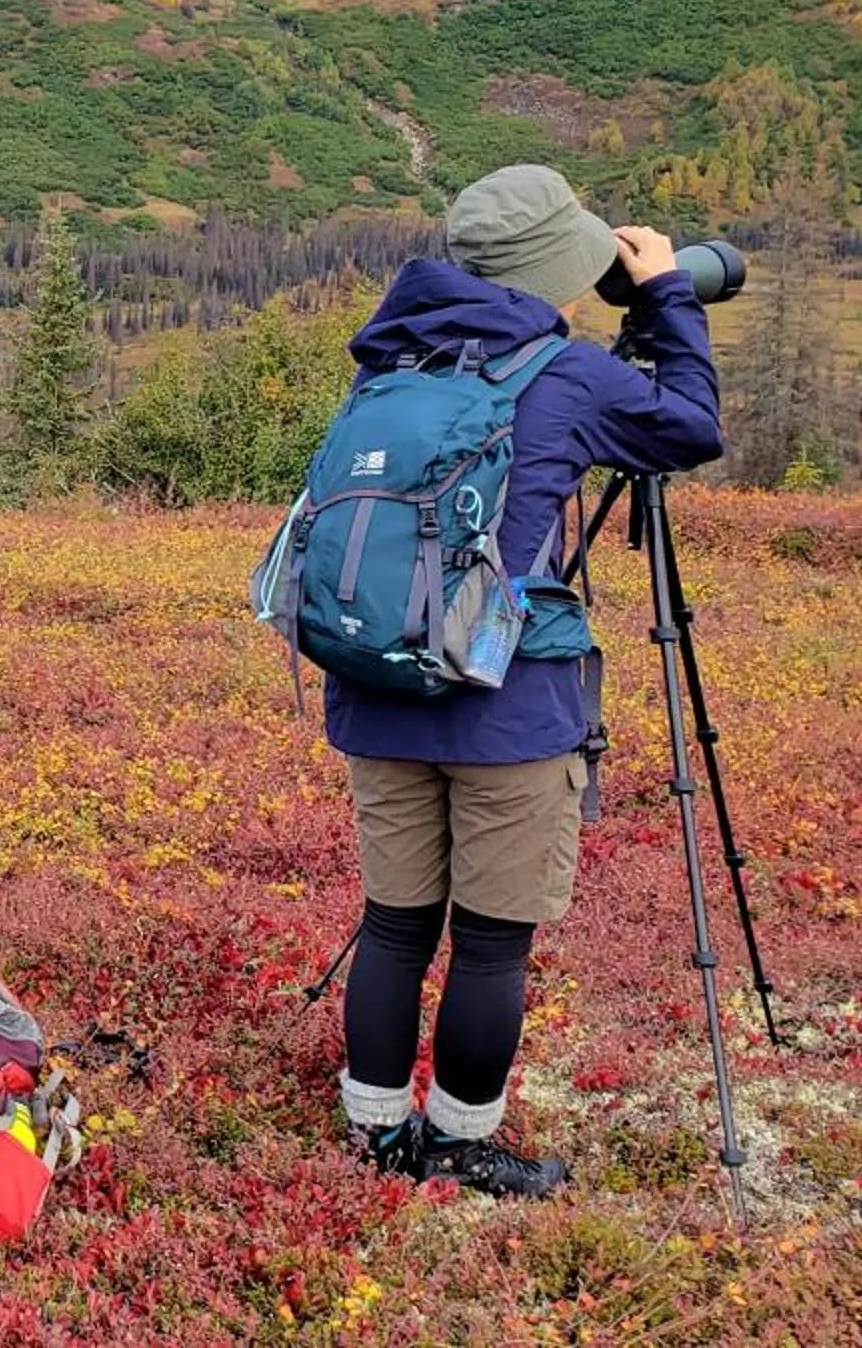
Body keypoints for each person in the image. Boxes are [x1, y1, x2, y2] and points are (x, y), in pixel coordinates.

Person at [330, 165, 722, 1197]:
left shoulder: (385, 365)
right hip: (507, 703)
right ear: (558, 266)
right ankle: (459, 1144)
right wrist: (670, 296)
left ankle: (372, 1132)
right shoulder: (567, 375)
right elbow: (691, 427)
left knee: (395, 925)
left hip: (376, 684)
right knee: (491, 946)